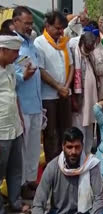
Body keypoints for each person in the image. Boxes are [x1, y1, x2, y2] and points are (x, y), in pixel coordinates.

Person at [32, 127, 103, 214]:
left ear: (82, 146)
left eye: (77, 147)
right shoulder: (53, 167)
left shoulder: (91, 165)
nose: (73, 152)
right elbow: (38, 203)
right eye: (69, 147)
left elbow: (98, 198)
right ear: (63, 146)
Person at [34, 11, 74, 163]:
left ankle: (66, 162)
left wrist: (66, 87)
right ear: (47, 26)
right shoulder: (39, 43)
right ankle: (52, 166)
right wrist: (58, 87)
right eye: (57, 28)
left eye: (62, 28)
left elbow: (70, 65)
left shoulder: (64, 42)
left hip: (64, 94)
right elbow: (41, 70)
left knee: (66, 131)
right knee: (51, 134)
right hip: (48, 96)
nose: (60, 31)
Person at [12, 6, 42, 198]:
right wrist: (23, 76)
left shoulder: (32, 44)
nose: (30, 27)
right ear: (15, 22)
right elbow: (9, 74)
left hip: (36, 104)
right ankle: (21, 184)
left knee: (33, 148)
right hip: (21, 104)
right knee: (21, 150)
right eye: (27, 23)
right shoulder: (12, 46)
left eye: (31, 23)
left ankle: (31, 181)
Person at [0, 30, 29, 213]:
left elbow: (14, 94)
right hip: (1, 130)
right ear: (3, 50)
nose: (17, 56)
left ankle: (15, 202)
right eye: (14, 52)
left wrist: (20, 117)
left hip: (14, 127)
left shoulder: (10, 68)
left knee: (15, 169)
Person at [72, 31, 98, 154]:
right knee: (80, 127)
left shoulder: (89, 56)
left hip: (91, 100)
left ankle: (87, 154)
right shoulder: (75, 54)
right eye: (88, 47)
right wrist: (74, 99)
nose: (90, 50)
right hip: (80, 100)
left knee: (89, 127)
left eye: (91, 47)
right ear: (82, 43)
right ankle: (80, 155)